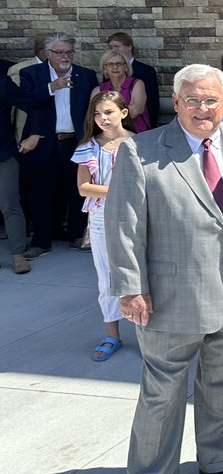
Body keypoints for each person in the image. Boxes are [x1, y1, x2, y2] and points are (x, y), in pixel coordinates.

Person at [106, 64, 223, 474]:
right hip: (170, 298)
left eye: (211, 100)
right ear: (176, 102)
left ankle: (217, 462)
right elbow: (123, 225)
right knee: (162, 394)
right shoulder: (141, 150)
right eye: (192, 99)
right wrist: (131, 287)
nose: (202, 108)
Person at [18, 32, 100, 255]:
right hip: (44, 142)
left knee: (77, 190)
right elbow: (26, 101)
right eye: (60, 52)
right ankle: (41, 241)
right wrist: (51, 87)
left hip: (75, 141)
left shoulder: (86, 75)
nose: (66, 56)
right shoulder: (31, 74)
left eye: (69, 52)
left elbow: (93, 108)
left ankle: (76, 235)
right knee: (41, 193)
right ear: (47, 53)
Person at [72, 91, 136, 361]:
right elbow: (83, 187)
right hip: (100, 218)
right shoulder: (88, 146)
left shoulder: (139, 143)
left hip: (135, 216)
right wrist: (119, 190)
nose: (102, 118)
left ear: (123, 113)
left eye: (108, 112)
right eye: (97, 113)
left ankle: (148, 333)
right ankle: (112, 335)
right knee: (107, 277)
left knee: (140, 272)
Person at [1, 75, 37, 274]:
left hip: (3, 156)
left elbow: (33, 106)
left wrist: (35, 134)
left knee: (10, 205)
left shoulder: (2, 83)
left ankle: (18, 255)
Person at [106, 32, 161, 127]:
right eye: (111, 47)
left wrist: (152, 125)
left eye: (117, 46)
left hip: (139, 124)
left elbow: (152, 101)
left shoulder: (146, 70)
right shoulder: (109, 70)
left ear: (129, 47)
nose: (113, 50)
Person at [95, 49, 151, 132]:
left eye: (119, 64)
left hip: (137, 134)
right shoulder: (98, 90)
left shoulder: (136, 84)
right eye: (110, 64)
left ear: (126, 67)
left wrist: (106, 116)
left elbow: (135, 110)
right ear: (105, 69)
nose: (115, 67)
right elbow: (94, 115)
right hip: (109, 135)